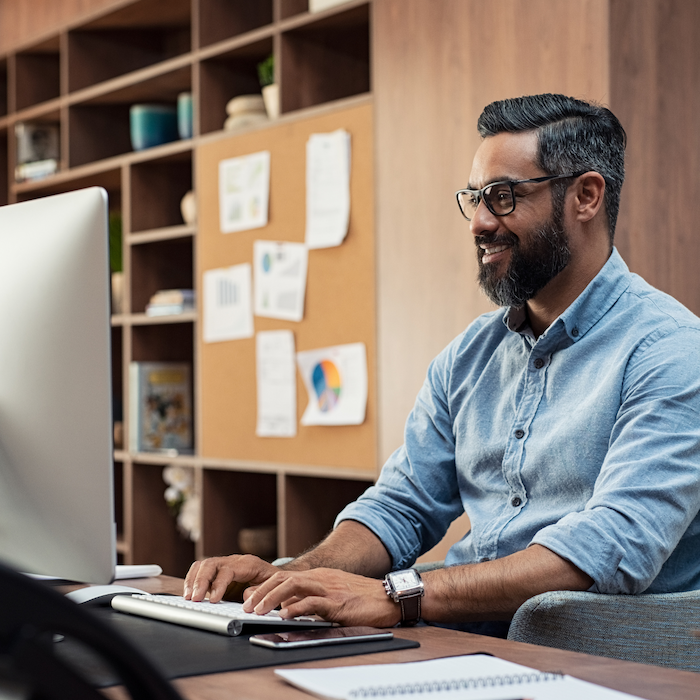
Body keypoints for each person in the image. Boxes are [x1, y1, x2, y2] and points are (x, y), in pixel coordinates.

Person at [184, 93, 700, 637]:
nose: (478, 223)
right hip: (455, 635)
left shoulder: (670, 350)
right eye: (474, 199)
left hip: (591, 663)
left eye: (502, 197)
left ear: (586, 197)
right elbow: (400, 506)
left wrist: (400, 595)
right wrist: (292, 576)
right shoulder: (468, 357)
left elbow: (612, 545)